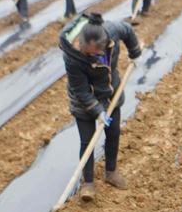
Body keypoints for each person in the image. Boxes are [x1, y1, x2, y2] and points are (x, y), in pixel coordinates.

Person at [60, 12, 142, 200]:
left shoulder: (111, 30)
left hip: (110, 90)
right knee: (87, 141)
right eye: (90, 53)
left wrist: (135, 52)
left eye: (98, 53)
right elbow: (80, 90)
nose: (95, 56)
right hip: (84, 101)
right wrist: (97, 111)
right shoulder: (72, 57)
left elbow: (128, 31)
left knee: (113, 132)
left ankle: (111, 172)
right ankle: (88, 183)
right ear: (81, 43)